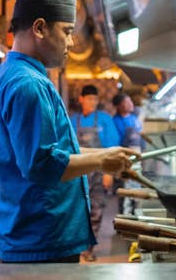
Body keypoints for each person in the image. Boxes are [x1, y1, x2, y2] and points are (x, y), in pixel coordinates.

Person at [0, 0, 138, 263]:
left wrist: (105, 155)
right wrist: (101, 162)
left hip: (28, 235)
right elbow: (41, 164)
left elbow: (48, 151)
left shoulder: (4, 77)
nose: (72, 42)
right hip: (40, 239)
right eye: (66, 31)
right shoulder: (28, 85)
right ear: (39, 28)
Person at [68, 85, 120, 261]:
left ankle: (89, 248)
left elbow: (112, 147)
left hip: (98, 172)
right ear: (81, 99)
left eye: (95, 99)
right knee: (77, 210)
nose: (92, 102)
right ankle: (78, 247)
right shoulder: (72, 120)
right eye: (89, 98)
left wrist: (109, 173)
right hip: (76, 173)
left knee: (96, 210)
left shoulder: (105, 119)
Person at [112, 92, 146, 214]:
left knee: (137, 188)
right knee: (125, 190)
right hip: (124, 158)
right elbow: (115, 142)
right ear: (119, 106)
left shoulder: (134, 118)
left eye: (130, 101)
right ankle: (124, 222)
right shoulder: (115, 121)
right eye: (126, 102)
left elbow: (141, 136)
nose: (131, 104)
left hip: (137, 157)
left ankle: (136, 218)